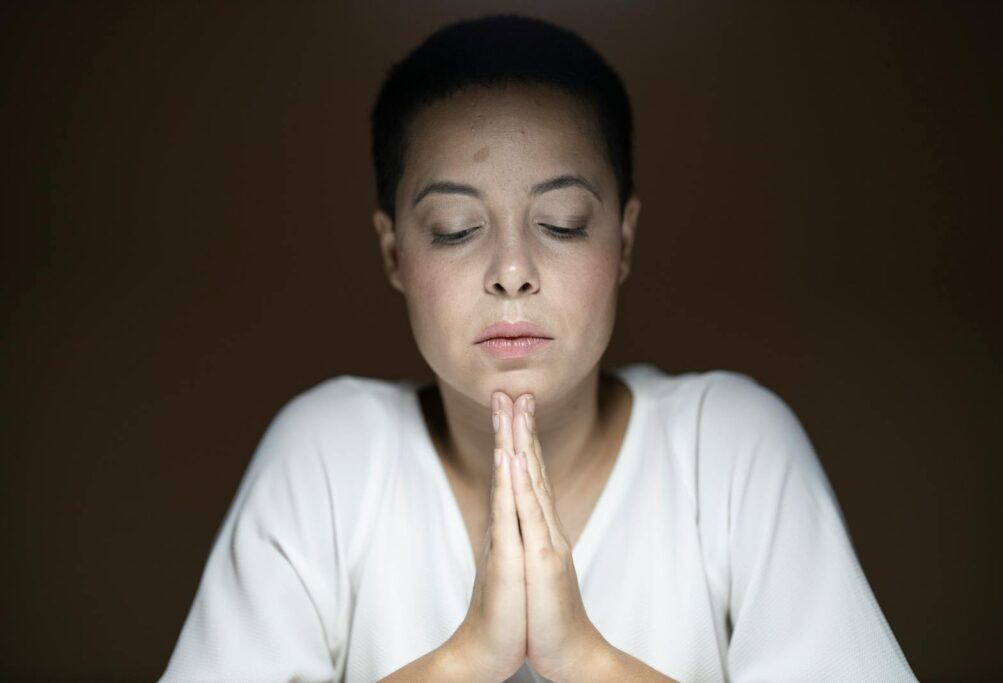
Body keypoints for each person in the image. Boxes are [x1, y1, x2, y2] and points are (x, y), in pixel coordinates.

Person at [159, 14, 918, 683]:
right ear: (394, 253)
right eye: (456, 228)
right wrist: (464, 661)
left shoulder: (732, 448)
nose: (513, 272)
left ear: (622, 239)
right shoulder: (324, 457)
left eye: (560, 222)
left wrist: (586, 658)